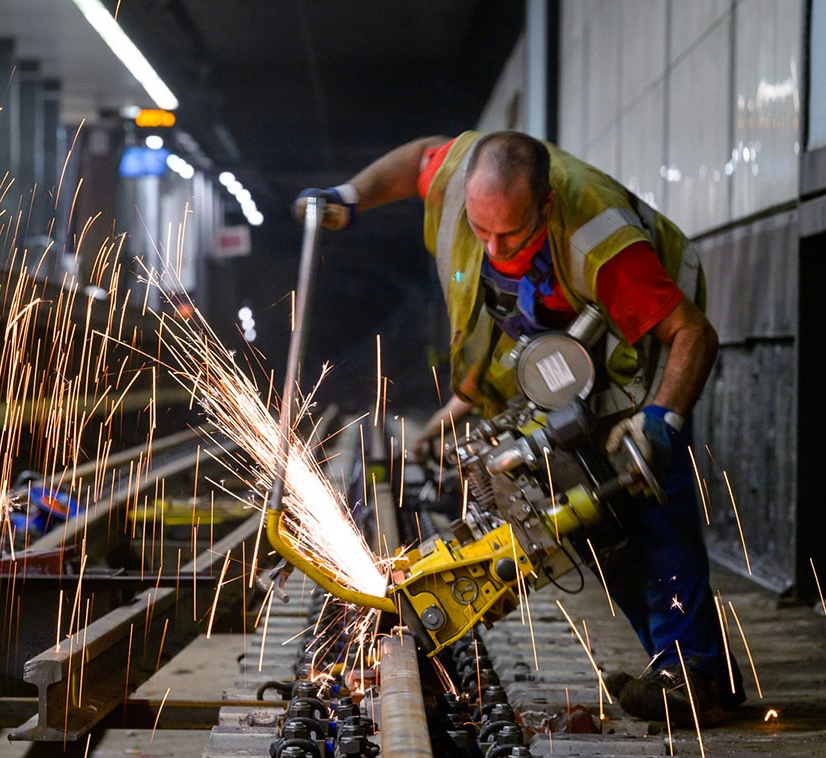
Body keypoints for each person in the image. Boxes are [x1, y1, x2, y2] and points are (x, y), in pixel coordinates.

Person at [296, 130, 742, 726]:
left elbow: (694, 334)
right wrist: (349, 197)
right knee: (592, 525)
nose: (495, 246)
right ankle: (676, 665)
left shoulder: (599, 241)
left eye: (511, 234)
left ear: (547, 206)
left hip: (643, 351)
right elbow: (416, 160)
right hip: (564, 344)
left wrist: (662, 418)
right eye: (483, 233)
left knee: (638, 501)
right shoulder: (462, 187)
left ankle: (697, 676)